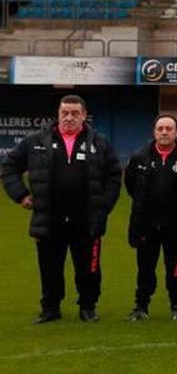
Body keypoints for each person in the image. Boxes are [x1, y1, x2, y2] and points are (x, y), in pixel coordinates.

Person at [2, 95, 121, 324]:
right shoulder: (36, 140)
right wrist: (20, 195)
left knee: (88, 268)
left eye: (75, 113)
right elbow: (10, 167)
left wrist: (104, 205)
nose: (69, 118)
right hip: (49, 218)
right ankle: (50, 308)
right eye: (64, 113)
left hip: (86, 219)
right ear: (57, 114)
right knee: (50, 268)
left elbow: (114, 176)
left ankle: (88, 307)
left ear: (84, 115)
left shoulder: (99, 142)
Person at [124, 114, 177, 321]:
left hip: (176, 225)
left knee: (176, 268)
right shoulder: (139, 157)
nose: (164, 132)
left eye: (169, 129)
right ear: (154, 132)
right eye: (160, 128)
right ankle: (141, 307)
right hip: (146, 224)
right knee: (145, 268)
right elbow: (131, 186)